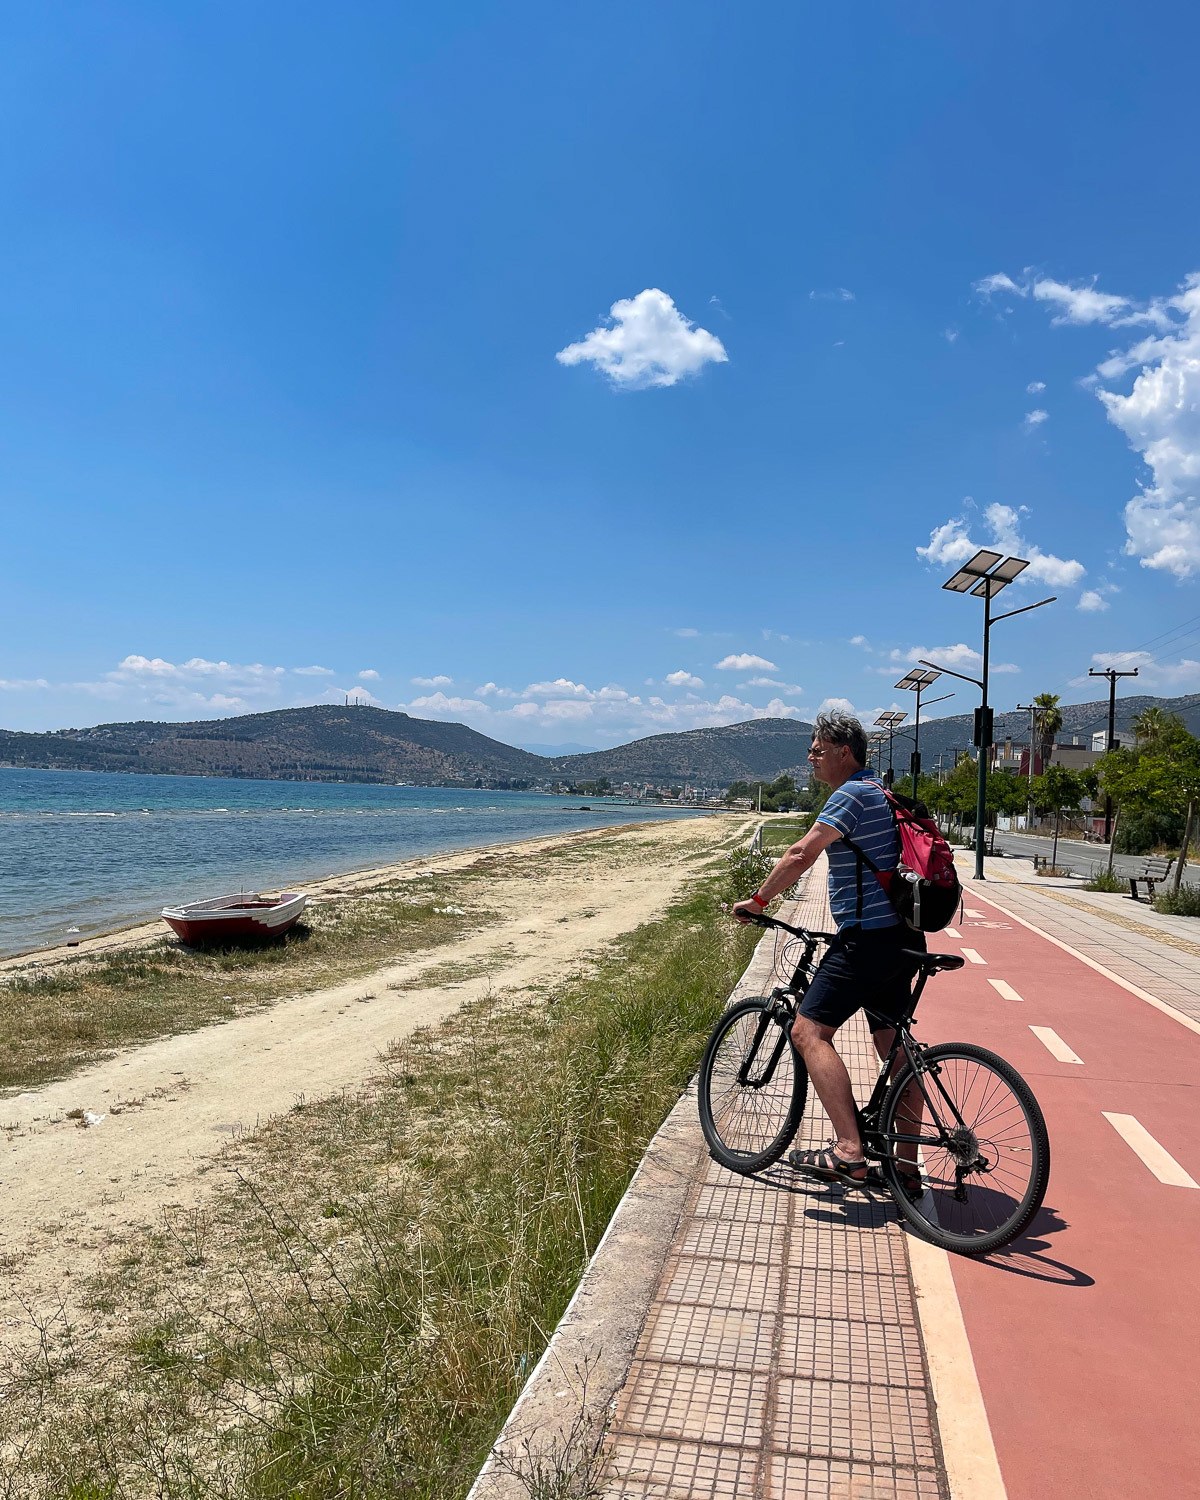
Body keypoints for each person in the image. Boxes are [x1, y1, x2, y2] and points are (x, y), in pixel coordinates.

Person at [731, 709, 923, 1192]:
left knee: (808, 1032)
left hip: (866, 940)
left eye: (817, 750)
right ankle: (904, 1166)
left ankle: (849, 1151)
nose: (810, 758)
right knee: (893, 1049)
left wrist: (757, 900)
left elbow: (801, 852)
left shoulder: (852, 794)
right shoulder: (882, 792)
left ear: (844, 752)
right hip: (902, 939)